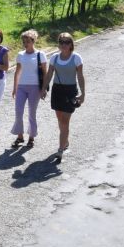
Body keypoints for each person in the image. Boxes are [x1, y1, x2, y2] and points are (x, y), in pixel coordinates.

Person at [41, 32, 86, 161]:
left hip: (70, 91)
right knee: (60, 120)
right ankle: (65, 140)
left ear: (71, 44)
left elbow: (80, 76)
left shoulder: (76, 58)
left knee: (65, 121)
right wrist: (44, 88)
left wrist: (83, 93)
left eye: (66, 42)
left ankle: (60, 149)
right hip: (57, 91)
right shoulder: (54, 57)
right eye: (61, 42)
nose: (64, 44)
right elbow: (49, 74)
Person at [11, 29, 48, 148]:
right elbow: (17, 72)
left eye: (28, 41)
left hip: (35, 87)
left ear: (33, 41)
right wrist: (14, 88)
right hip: (21, 87)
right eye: (24, 41)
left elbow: (45, 73)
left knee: (32, 113)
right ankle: (20, 136)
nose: (25, 44)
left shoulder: (40, 54)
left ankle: (31, 137)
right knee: (18, 112)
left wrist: (44, 89)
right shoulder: (20, 55)